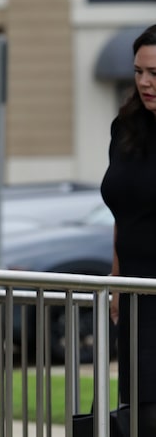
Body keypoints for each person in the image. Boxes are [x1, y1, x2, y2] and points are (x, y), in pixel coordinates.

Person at [101, 24, 156, 435]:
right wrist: (117, 279)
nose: (144, 83)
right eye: (138, 72)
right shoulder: (127, 127)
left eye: (154, 74)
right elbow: (123, 213)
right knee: (138, 413)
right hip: (138, 295)